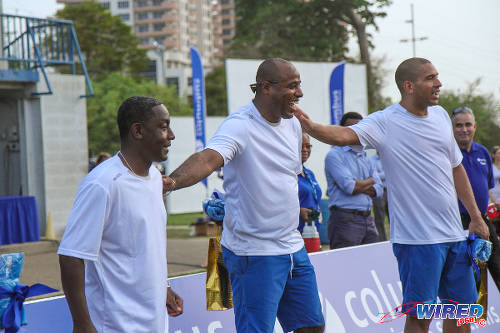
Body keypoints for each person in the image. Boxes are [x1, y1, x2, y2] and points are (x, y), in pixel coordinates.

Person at [295, 57, 489, 333]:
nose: (439, 83)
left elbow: (456, 169)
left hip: (454, 236)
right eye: (430, 78)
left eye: (437, 76)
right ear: (409, 86)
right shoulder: (386, 121)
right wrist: (310, 126)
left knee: (461, 313)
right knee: (420, 317)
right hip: (417, 241)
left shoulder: (441, 115)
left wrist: (475, 217)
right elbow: (342, 135)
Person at [164, 58, 325, 333]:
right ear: (266, 88)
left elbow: (284, 181)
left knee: (311, 327)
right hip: (255, 253)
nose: (299, 94)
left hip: (292, 247)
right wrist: (170, 182)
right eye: (292, 87)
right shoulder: (240, 125)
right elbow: (208, 158)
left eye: (299, 86)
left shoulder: (294, 124)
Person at [58, 96, 183, 333]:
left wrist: (163, 287)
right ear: (138, 131)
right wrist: (82, 324)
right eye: (164, 127)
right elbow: (71, 256)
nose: (172, 136)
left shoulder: (156, 179)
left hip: (155, 322)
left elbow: (147, 244)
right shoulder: (102, 183)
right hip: (116, 325)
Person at [452, 106, 500, 291]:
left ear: (475, 126)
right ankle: (471, 319)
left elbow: (487, 187)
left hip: (483, 220)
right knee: (471, 278)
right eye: (459, 125)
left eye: (468, 125)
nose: (464, 129)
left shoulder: (483, 153)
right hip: (460, 223)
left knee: (496, 266)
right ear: (452, 128)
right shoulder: (448, 153)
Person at [325, 112, 383, 249]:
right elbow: (350, 187)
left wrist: (359, 184)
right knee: (345, 267)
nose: (355, 131)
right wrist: (370, 181)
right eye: (351, 127)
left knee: (371, 265)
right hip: (345, 220)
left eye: (359, 127)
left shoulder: (364, 156)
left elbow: (379, 189)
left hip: (368, 219)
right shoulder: (334, 155)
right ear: (342, 129)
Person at [298, 133, 322, 234]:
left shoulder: (309, 174)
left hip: (312, 230)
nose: (305, 149)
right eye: (300, 146)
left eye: (308, 146)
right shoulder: (286, 174)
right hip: (296, 232)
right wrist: (299, 211)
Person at [370, 151, 389, 241]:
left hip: (391, 192)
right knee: (379, 219)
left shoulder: (390, 157)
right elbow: (373, 177)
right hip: (380, 192)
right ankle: (382, 241)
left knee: (394, 219)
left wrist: (380, 175)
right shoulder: (371, 160)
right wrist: (387, 173)